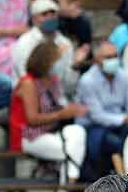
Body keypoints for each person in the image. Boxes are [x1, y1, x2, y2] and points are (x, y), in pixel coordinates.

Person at [10, 40, 86, 183]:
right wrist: (61, 114)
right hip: (29, 136)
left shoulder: (53, 80)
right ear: (45, 61)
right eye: (57, 60)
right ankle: (68, 187)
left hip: (51, 131)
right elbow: (32, 119)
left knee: (77, 132)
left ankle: (68, 184)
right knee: (72, 151)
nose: (60, 64)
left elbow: (59, 105)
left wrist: (70, 110)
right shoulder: (28, 83)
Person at [76, 40, 128, 183]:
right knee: (117, 143)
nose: (113, 60)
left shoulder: (125, 76)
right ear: (96, 60)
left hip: (120, 124)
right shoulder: (87, 81)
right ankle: (120, 181)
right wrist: (124, 119)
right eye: (108, 57)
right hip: (93, 127)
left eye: (115, 56)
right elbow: (97, 116)